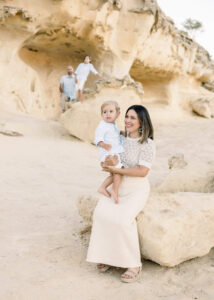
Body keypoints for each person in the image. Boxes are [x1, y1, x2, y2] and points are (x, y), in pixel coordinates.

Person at [87, 105, 155, 283]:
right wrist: (107, 165)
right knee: (102, 214)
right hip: (118, 185)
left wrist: (120, 171)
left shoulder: (148, 143)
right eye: (126, 116)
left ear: (141, 121)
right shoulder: (119, 138)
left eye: (132, 117)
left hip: (136, 189)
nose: (128, 120)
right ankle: (108, 257)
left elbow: (142, 171)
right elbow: (109, 162)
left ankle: (133, 264)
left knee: (123, 220)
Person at [95, 101, 124, 204]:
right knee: (118, 171)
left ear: (118, 114)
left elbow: (113, 136)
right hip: (108, 153)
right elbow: (98, 138)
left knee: (115, 174)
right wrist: (103, 145)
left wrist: (120, 133)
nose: (107, 114)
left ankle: (102, 187)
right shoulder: (102, 125)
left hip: (114, 152)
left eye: (111, 111)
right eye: (104, 112)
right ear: (101, 114)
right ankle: (114, 191)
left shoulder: (113, 125)